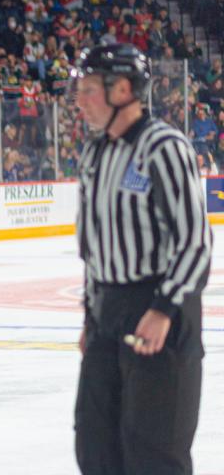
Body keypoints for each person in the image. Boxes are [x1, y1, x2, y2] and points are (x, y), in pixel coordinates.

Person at [72, 43, 210, 475]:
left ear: (124, 89)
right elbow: (92, 247)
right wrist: (91, 316)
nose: (80, 100)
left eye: (90, 89)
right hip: (107, 314)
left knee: (153, 452)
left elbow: (194, 241)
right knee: (96, 446)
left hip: (159, 310)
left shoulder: (164, 148)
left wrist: (162, 309)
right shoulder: (95, 153)